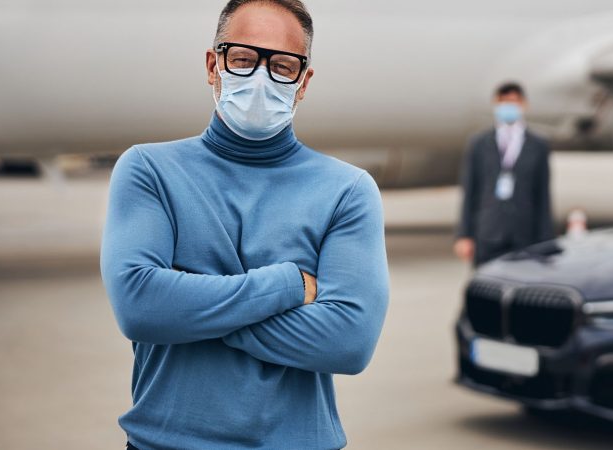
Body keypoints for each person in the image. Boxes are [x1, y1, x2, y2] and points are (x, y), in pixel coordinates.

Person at [99, 1, 389, 448]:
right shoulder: (149, 169)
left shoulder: (347, 190)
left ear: (304, 81)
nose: (260, 78)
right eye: (242, 58)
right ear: (213, 65)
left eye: (283, 66)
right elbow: (140, 306)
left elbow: (347, 343)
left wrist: (188, 310)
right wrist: (288, 285)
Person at [454, 82, 554, 266]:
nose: (509, 106)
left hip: (524, 234)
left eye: (514, 101)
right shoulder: (479, 143)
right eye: (504, 101)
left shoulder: (538, 145)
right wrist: (464, 235)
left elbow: (543, 196)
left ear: (524, 105)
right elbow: (470, 192)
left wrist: (546, 241)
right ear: (495, 104)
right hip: (488, 233)